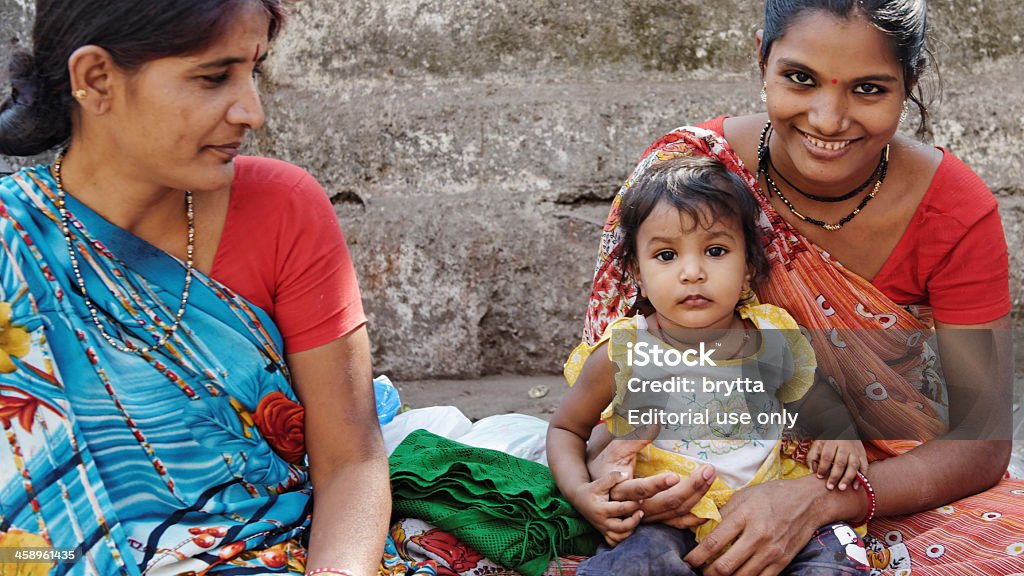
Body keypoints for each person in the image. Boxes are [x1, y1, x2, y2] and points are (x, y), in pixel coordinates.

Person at [565, 1, 1021, 574]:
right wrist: (620, 483)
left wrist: (818, 501)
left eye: (870, 89)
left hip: (889, 482)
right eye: (799, 79)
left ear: (909, 84)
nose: (829, 120)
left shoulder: (954, 209)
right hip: (683, 489)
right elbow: (607, 408)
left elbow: (981, 441)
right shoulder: (688, 175)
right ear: (762, 59)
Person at [0, 1, 389, 575]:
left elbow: (351, 457)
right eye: (213, 77)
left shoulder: (282, 209)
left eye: (252, 72)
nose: (250, 111)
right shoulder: (12, 244)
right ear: (97, 80)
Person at [550, 155, 870, 575]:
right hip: (666, 517)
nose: (692, 272)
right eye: (666, 255)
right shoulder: (624, 351)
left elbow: (820, 402)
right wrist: (581, 492)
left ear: (749, 268)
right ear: (637, 274)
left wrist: (842, 434)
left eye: (715, 251)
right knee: (635, 563)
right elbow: (566, 429)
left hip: (765, 510)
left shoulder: (770, 339)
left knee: (833, 558)